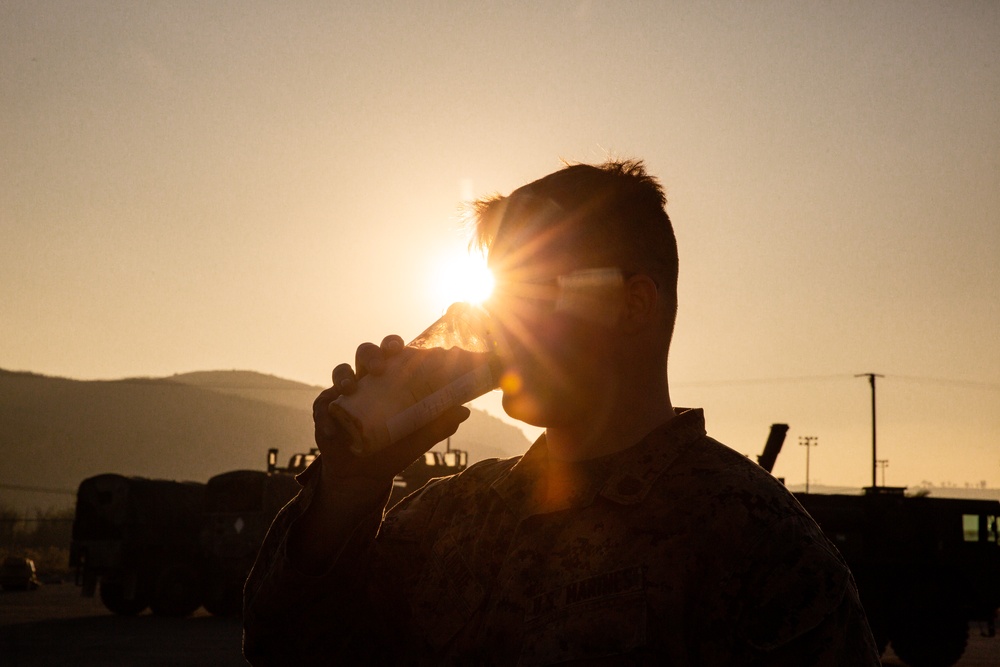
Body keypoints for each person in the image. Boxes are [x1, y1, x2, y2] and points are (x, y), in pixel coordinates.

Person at [243, 160, 880, 665]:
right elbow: (287, 648)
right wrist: (347, 490)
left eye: (538, 289)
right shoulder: (452, 515)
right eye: (499, 292)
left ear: (633, 306)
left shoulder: (757, 544)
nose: (501, 324)